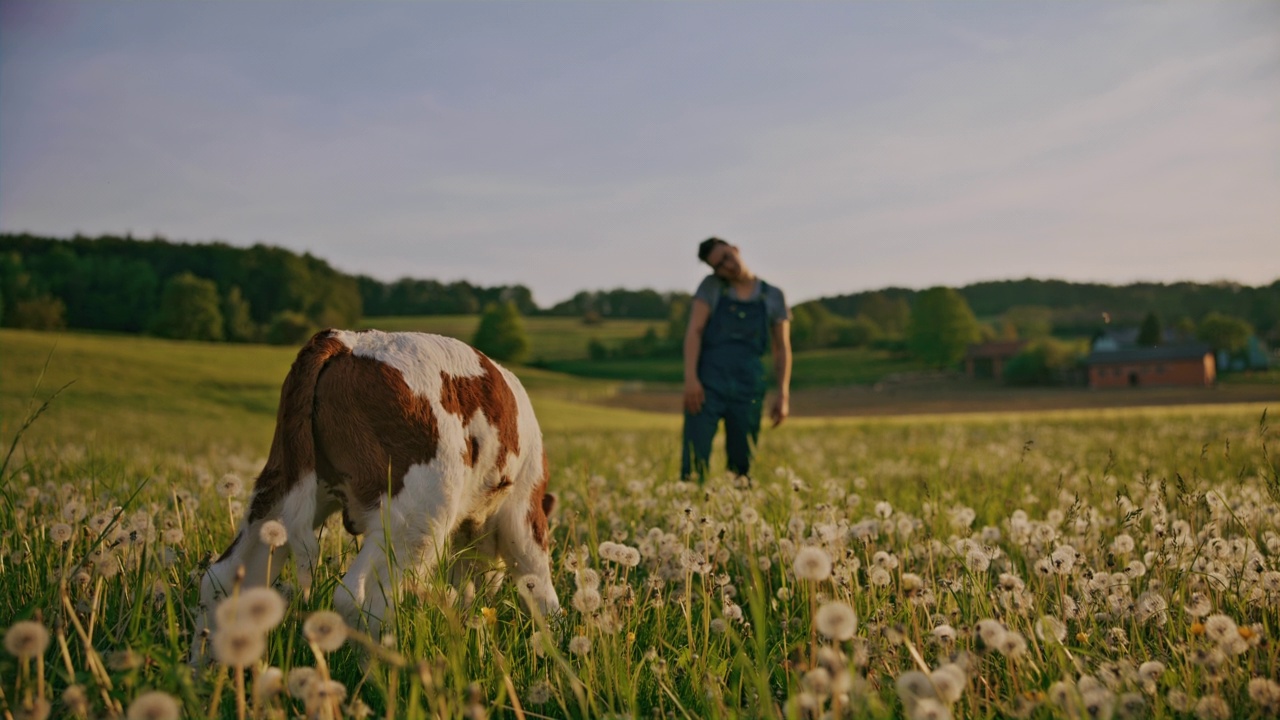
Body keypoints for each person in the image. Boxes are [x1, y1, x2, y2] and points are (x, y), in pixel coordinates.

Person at [682, 237, 791, 483]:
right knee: (694, 463)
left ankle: (736, 516)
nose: (728, 266)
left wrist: (783, 393)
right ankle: (688, 513)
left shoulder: (773, 295)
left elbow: (782, 347)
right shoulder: (711, 288)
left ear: (736, 249)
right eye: (719, 265)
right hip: (707, 385)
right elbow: (694, 332)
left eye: (728, 256)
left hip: (748, 386)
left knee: (741, 467)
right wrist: (691, 379)